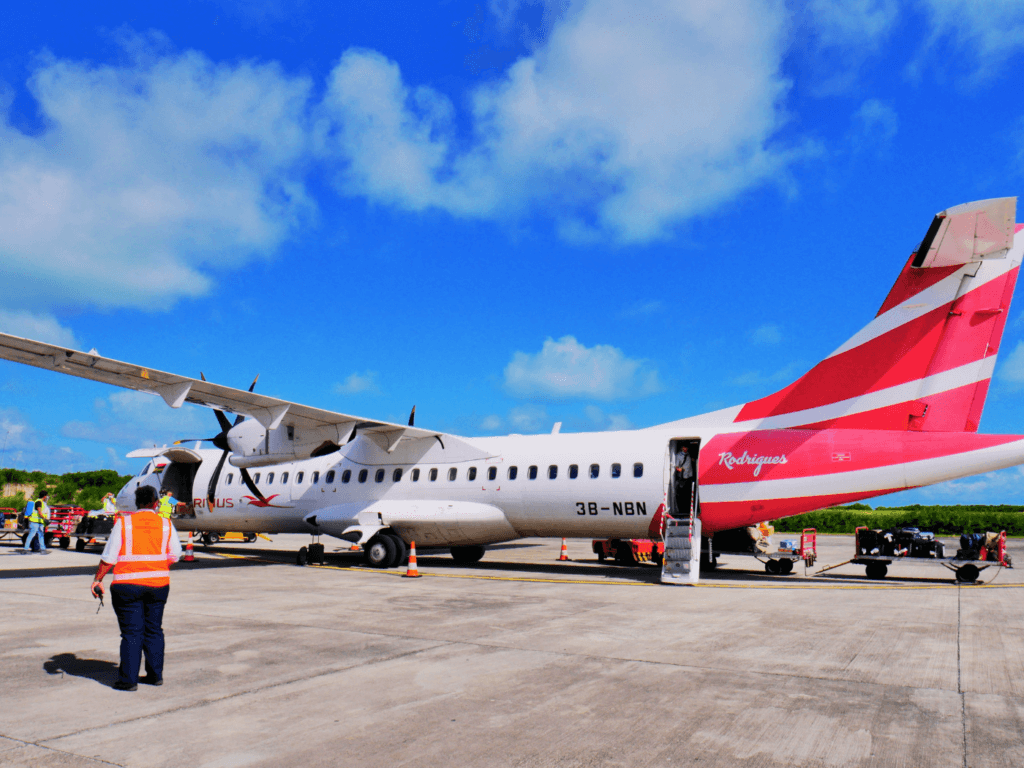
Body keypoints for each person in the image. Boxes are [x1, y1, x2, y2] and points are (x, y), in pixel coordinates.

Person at [91, 485, 182, 692]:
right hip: (158, 585)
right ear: (156, 503)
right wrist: (155, 567)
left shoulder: (124, 523)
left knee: (132, 633)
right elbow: (175, 555)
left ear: (136, 503)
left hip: (127, 586)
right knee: (154, 630)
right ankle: (155, 675)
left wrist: (98, 579)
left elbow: (109, 557)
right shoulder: (166, 524)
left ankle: (128, 681)